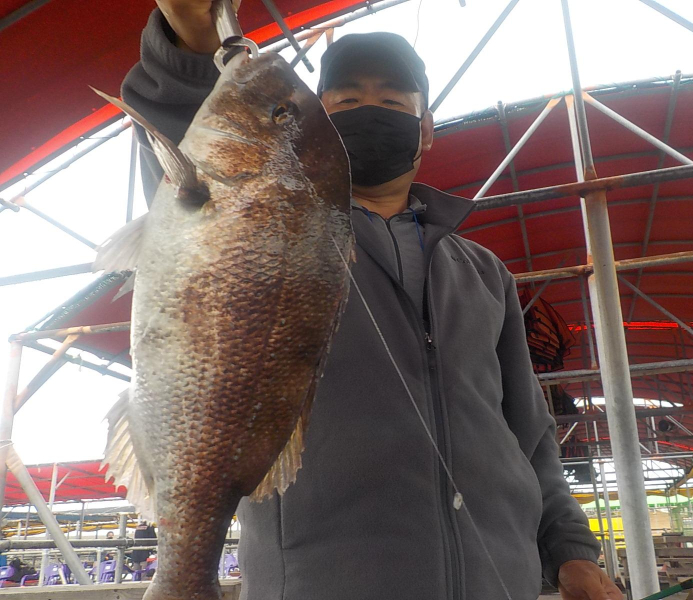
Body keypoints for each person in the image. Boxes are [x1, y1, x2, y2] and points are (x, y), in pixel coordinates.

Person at [121, 2, 622, 599]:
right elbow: (187, 140)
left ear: (426, 129)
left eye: (392, 101)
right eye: (346, 100)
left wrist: (570, 550)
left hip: (500, 583)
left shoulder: (485, 272)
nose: (371, 109)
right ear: (317, 129)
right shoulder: (271, 227)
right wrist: (189, 40)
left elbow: (529, 433)